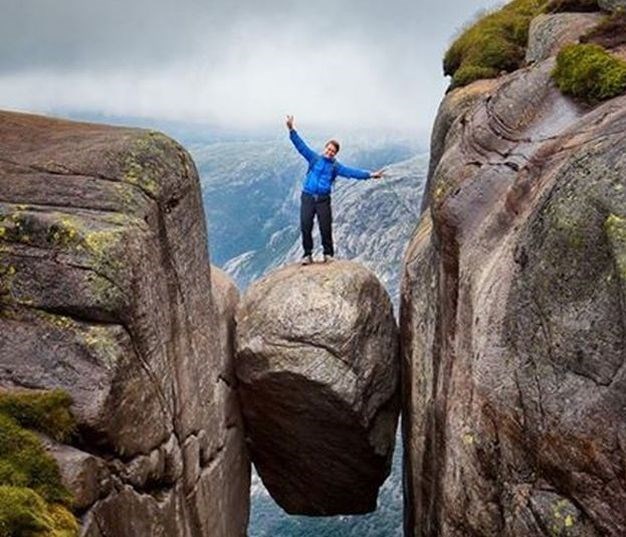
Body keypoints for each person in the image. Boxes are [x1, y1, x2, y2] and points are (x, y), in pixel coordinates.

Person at [286, 115, 385, 265]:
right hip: (307, 197)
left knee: (325, 227)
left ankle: (328, 254)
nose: (330, 152)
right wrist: (291, 129)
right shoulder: (314, 159)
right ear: (325, 148)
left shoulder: (335, 167)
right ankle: (307, 255)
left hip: (323, 200)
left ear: (335, 154)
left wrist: (370, 175)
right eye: (329, 149)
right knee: (306, 225)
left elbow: (352, 172)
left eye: (333, 151)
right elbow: (301, 146)